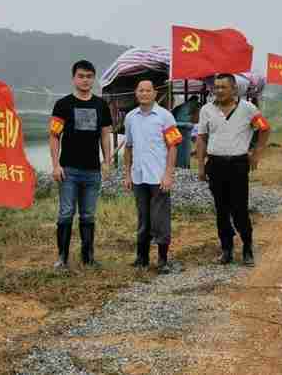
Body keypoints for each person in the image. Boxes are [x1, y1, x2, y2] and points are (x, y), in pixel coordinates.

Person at [196, 74, 271, 266]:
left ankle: (247, 247)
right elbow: (202, 138)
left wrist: (256, 153)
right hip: (215, 164)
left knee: (239, 209)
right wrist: (201, 167)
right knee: (221, 210)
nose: (219, 91)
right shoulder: (206, 110)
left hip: (238, 165)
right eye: (217, 87)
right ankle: (226, 249)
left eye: (224, 87)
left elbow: (264, 128)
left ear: (234, 90)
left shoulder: (248, 109)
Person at [49, 60, 112, 269]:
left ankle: (88, 257)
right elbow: (54, 136)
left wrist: (107, 161)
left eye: (89, 76)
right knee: (66, 213)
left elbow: (105, 135)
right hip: (69, 170)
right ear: (74, 78)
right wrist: (55, 165)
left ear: (93, 79)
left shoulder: (101, 105)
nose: (85, 80)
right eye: (81, 76)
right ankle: (62, 258)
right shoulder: (63, 104)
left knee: (88, 214)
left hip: (92, 170)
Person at [123, 79, 182, 274]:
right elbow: (128, 147)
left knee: (160, 219)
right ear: (136, 93)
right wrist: (127, 174)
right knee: (143, 218)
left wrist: (168, 175)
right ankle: (142, 258)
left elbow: (173, 146)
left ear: (155, 93)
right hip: (139, 176)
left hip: (158, 176)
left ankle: (163, 260)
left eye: (148, 90)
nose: (144, 94)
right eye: (141, 90)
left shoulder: (165, 116)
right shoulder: (131, 117)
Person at [172, 95, 200, 168]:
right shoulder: (191, 105)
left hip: (179, 127)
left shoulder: (183, 105)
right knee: (180, 150)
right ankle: (182, 165)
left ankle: (181, 164)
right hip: (182, 127)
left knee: (177, 148)